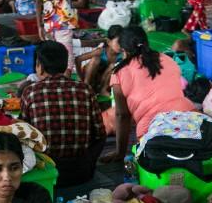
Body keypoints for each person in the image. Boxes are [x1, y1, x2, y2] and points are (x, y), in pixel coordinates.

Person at [103, 26, 195, 162]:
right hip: (190, 122)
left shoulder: (119, 73)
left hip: (153, 135)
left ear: (123, 50)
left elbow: (122, 116)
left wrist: (119, 153)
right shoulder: (169, 60)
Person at [19, 41, 105, 187]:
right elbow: (100, 135)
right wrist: (87, 161)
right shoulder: (85, 89)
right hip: (82, 173)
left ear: (39, 66)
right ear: (65, 65)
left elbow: (23, 134)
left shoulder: (30, 92)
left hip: (46, 173)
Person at [76, 23, 122, 94]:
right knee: (95, 59)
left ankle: (103, 89)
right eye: (118, 42)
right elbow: (78, 59)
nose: (121, 45)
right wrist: (80, 77)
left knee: (114, 66)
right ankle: (86, 85)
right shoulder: (100, 51)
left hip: (101, 80)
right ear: (108, 42)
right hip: (90, 76)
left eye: (122, 42)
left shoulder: (122, 55)